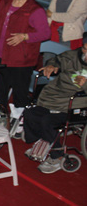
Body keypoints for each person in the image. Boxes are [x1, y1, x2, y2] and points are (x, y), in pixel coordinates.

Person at [22, 34, 87, 174]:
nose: (86, 53)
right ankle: (42, 142)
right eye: (85, 49)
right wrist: (51, 65)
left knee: (47, 121)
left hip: (73, 104)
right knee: (29, 114)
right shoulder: (73, 56)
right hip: (52, 97)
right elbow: (56, 60)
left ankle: (57, 156)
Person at [0, 0, 51, 112]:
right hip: (0, 54)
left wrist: (25, 36)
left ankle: (19, 119)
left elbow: (45, 33)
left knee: (19, 96)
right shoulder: (7, 0)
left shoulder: (34, 10)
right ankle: (0, 117)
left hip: (20, 60)